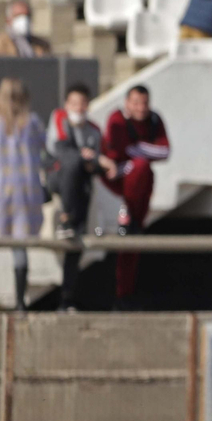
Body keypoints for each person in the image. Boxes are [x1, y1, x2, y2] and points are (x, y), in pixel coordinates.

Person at [0, 78, 45, 310]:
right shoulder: (33, 122)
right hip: (27, 196)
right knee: (20, 245)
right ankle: (20, 302)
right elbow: (45, 155)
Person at [48, 82, 114, 310]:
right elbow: (62, 152)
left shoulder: (94, 130)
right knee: (72, 162)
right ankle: (65, 217)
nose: (78, 107)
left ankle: (67, 299)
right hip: (57, 183)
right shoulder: (59, 118)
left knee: (76, 244)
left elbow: (99, 167)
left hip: (80, 193)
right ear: (67, 104)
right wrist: (91, 158)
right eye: (74, 103)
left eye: (83, 103)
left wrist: (92, 161)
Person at [100, 85, 170, 299]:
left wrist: (137, 149)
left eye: (144, 103)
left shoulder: (154, 120)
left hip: (139, 192)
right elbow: (119, 157)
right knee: (140, 166)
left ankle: (126, 296)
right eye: (136, 103)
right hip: (116, 189)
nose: (141, 108)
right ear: (127, 103)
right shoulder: (117, 120)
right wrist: (140, 154)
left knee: (133, 241)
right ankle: (118, 294)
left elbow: (165, 151)